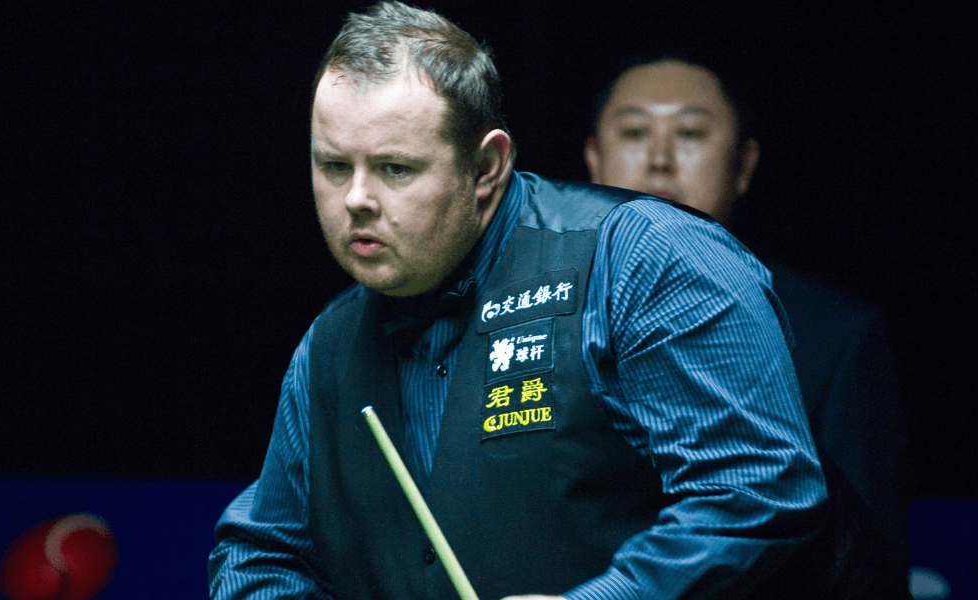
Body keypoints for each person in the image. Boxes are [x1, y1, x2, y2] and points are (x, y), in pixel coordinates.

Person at [210, 4, 836, 599]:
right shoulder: (329, 344)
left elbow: (754, 486)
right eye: (334, 166)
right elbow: (265, 555)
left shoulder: (643, 256)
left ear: (486, 166)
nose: (357, 199)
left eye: (396, 169)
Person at [584, 57, 910, 595]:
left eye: (690, 133)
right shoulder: (537, 311)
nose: (660, 161)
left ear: (744, 163)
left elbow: (872, 571)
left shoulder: (836, 335)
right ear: (594, 158)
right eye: (635, 132)